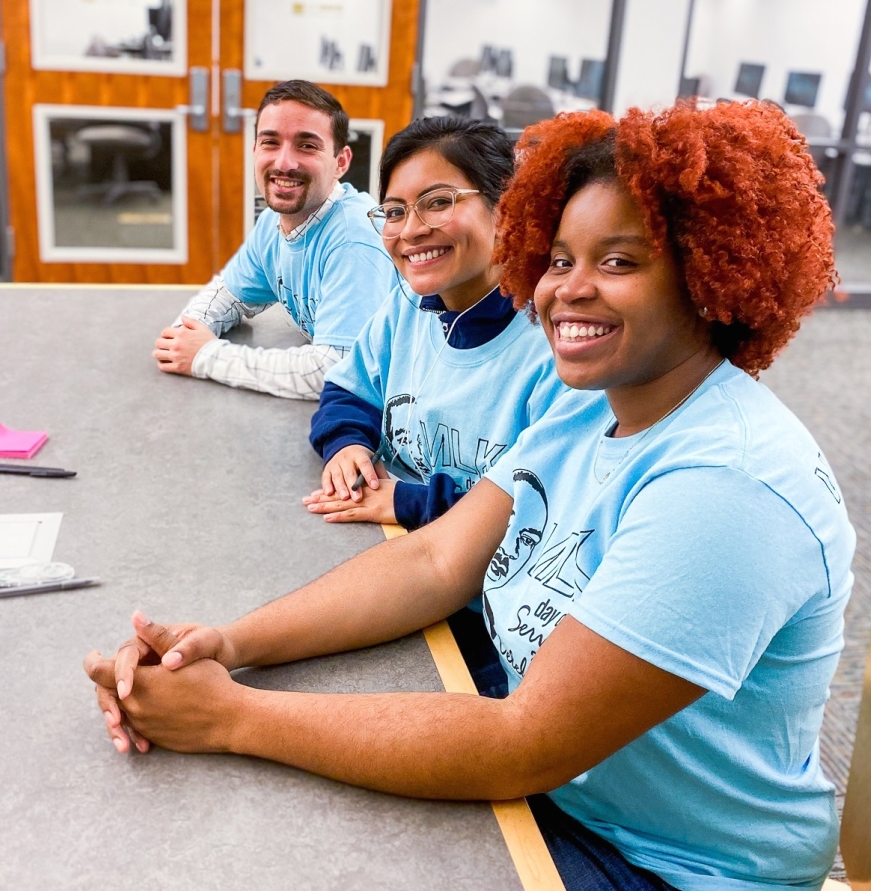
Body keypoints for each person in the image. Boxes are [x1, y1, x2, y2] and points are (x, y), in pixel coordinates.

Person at [86, 100, 854, 890]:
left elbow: (525, 741)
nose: (569, 290)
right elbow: (437, 562)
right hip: (560, 796)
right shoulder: (593, 403)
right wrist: (226, 644)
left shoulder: (729, 486)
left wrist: (227, 715)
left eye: (619, 262)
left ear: (709, 274)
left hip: (664, 864)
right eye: (559, 259)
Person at [303, 117, 570, 530]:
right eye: (395, 211)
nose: (411, 230)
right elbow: (349, 389)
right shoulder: (407, 305)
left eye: (439, 202)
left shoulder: (556, 344)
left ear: (507, 208)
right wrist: (347, 443)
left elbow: (544, 509)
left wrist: (411, 502)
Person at [153, 80, 395, 400]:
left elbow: (335, 372)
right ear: (254, 150)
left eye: (307, 146)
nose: (283, 163)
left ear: (341, 162)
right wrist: (186, 334)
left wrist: (206, 356)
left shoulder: (355, 239)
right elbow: (229, 294)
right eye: (270, 142)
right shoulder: (273, 222)